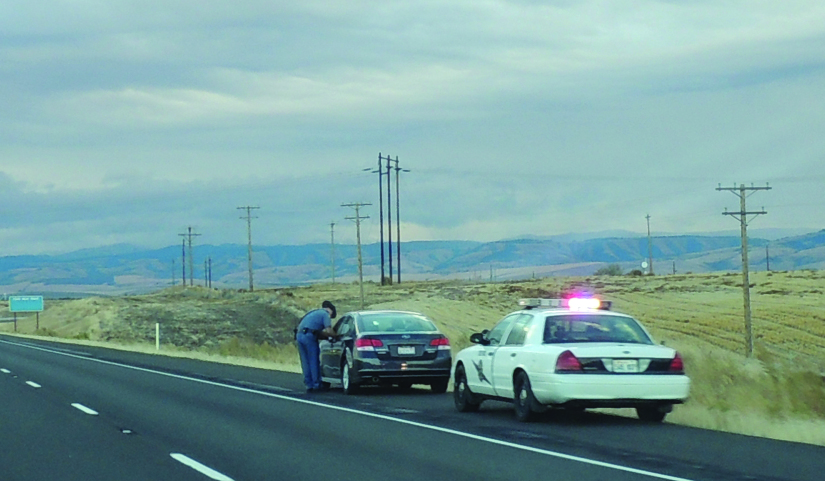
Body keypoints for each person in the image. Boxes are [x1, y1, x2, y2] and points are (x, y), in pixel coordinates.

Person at [296, 300, 337, 392]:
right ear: (330, 310)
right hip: (309, 337)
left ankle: (308, 384)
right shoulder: (325, 314)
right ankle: (317, 384)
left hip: (299, 335)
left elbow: (318, 332)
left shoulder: (313, 313)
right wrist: (336, 336)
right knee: (313, 360)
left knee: (305, 361)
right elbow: (329, 331)